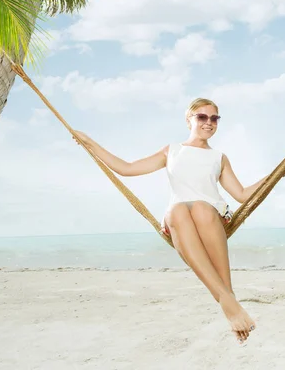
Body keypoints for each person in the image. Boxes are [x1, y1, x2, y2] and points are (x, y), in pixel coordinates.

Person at [73, 98, 268, 344]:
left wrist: (274, 175)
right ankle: (231, 304)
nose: (208, 122)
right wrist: (90, 143)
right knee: (177, 210)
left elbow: (241, 195)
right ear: (189, 119)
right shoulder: (172, 150)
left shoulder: (219, 158)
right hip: (179, 221)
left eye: (214, 118)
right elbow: (127, 168)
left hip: (211, 216)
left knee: (199, 207)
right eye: (202, 117)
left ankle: (229, 302)